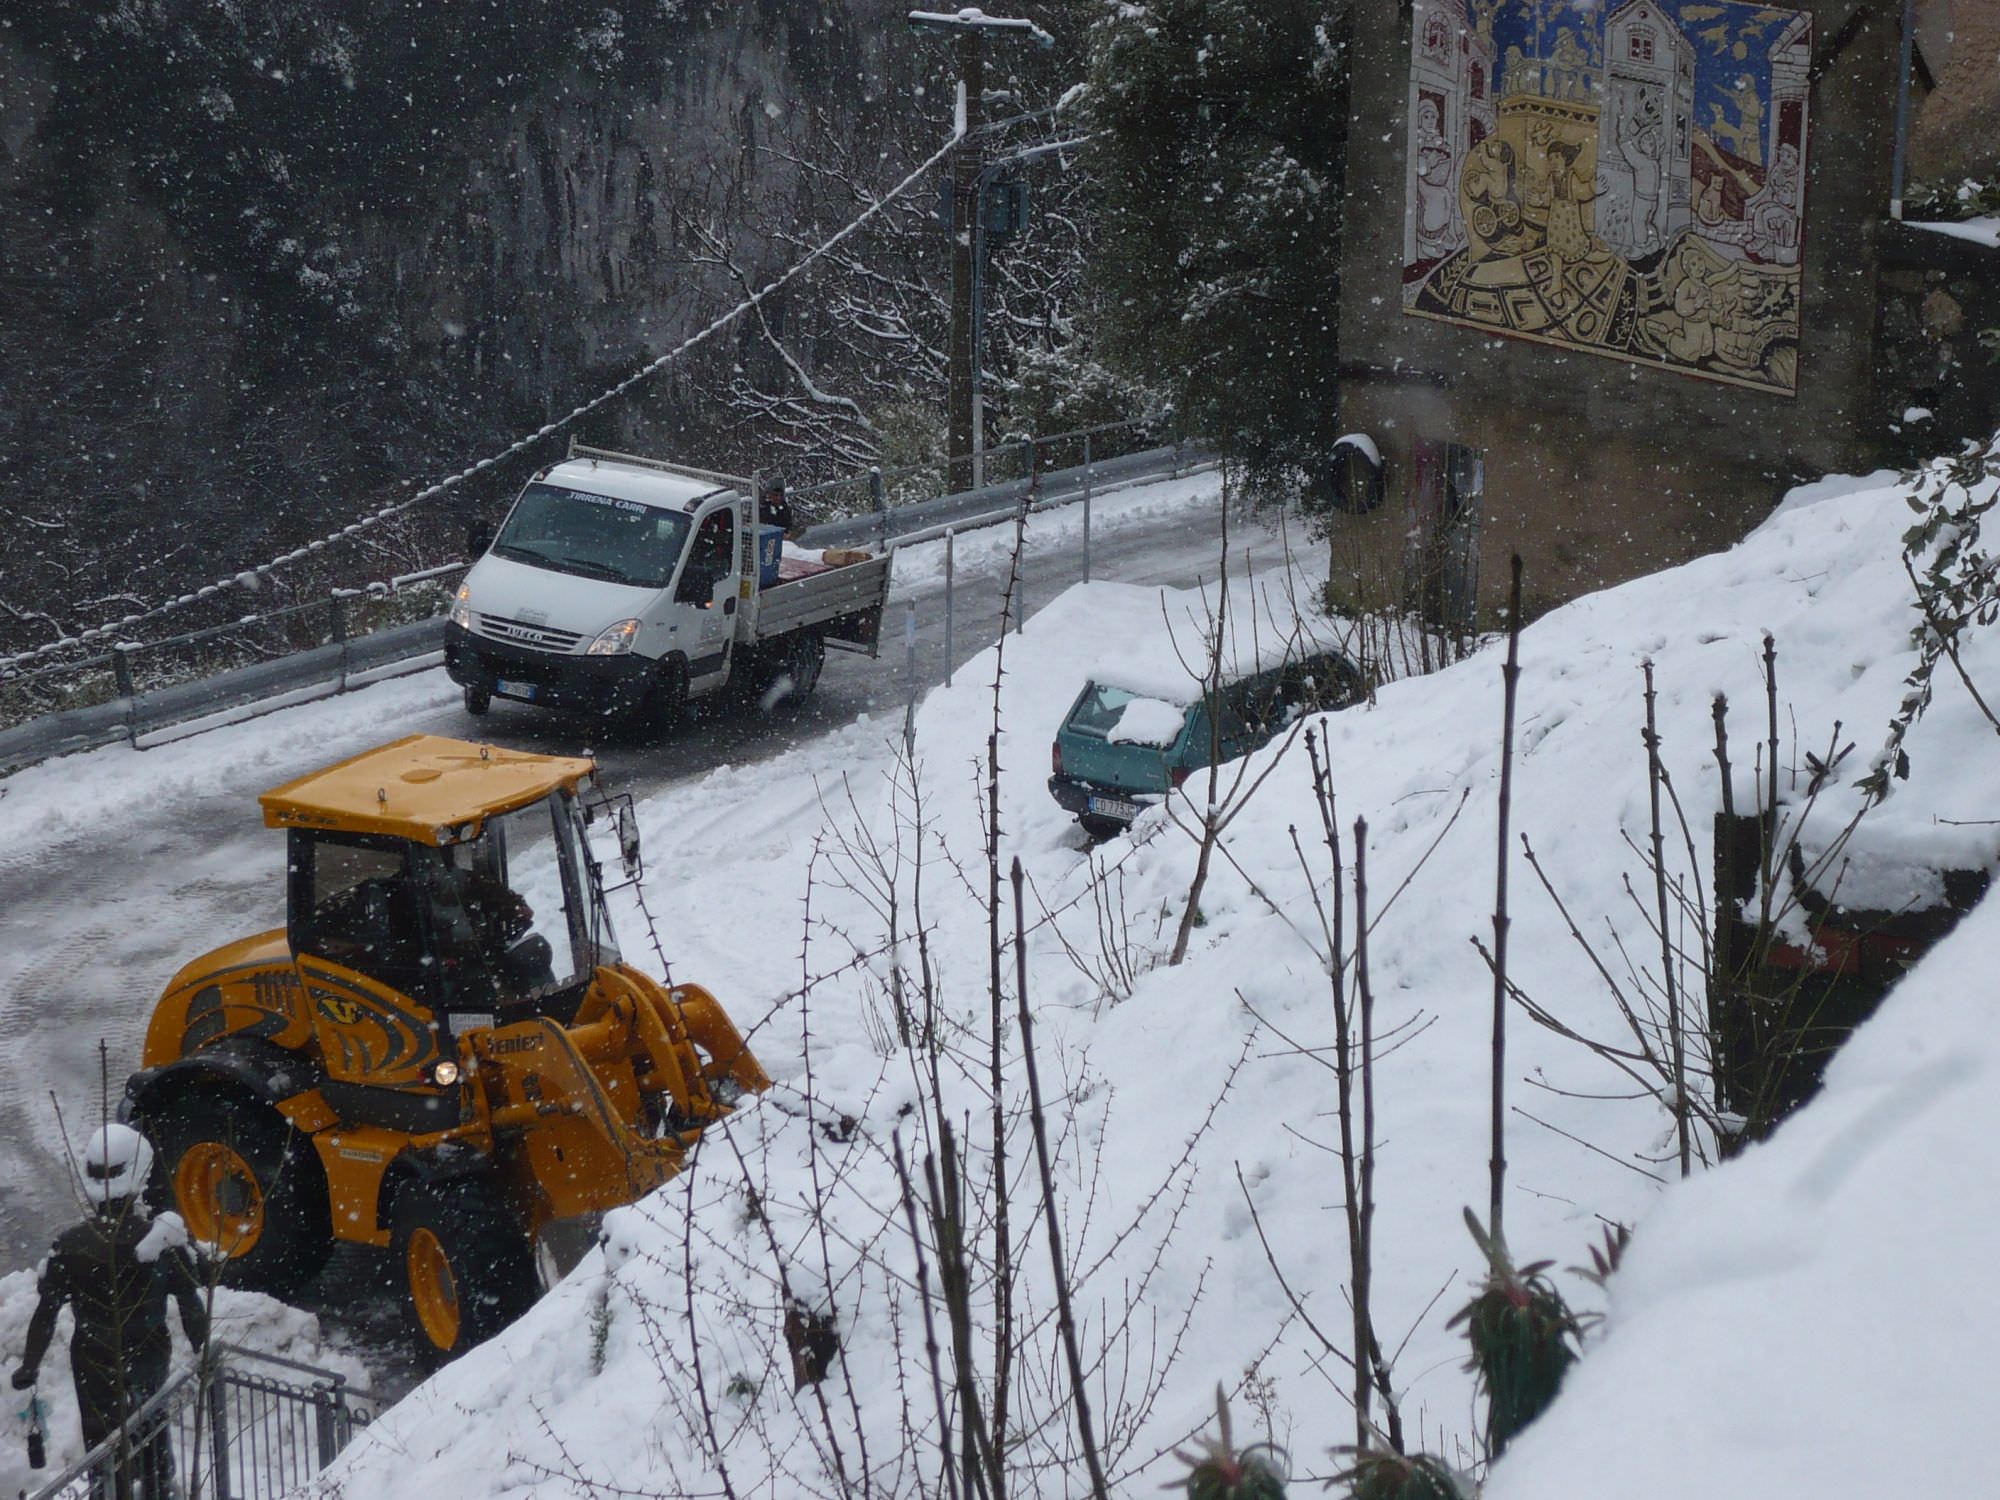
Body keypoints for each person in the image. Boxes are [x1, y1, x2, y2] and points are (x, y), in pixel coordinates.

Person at [11, 1123, 210, 1500]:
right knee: (152, 1435)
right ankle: (157, 1489)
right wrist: (203, 1351)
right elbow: (190, 1301)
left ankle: (107, 1492)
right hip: (149, 1353)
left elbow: (47, 1312)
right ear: (140, 1175)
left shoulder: (70, 1246)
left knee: (100, 1443)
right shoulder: (162, 1240)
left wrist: (31, 1366)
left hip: (92, 1358)